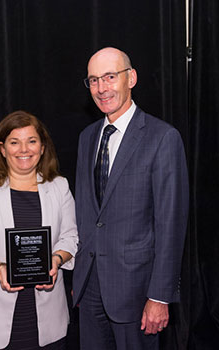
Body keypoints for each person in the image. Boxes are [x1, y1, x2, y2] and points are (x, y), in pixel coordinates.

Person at [72, 47, 189, 349]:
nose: (101, 88)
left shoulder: (162, 138)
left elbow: (170, 225)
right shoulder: (88, 137)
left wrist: (160, 296)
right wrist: (80, 281)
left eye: (110, 77)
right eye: (94, 80)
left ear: (131, 78)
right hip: (90, 288)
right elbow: (87, 214)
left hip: (137, 293)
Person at [0, 110, 78, 349]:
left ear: (42, 147)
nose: (24, 149)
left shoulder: (59, 186)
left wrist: (56, 259)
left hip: (47, 317)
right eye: (14, 142)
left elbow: (71, 236)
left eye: (32, 141)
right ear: (2, 148)